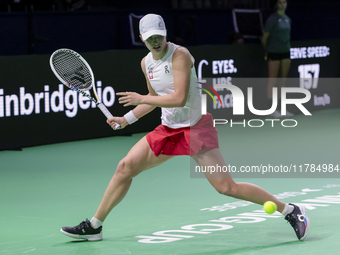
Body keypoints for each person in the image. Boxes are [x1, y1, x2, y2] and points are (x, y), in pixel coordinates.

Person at [60, 13, 309, 242]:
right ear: (141, 39)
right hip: (168, 129)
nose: (156, 42)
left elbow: (178, 98)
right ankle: (95, 226)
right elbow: (154, 96)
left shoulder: (180, 55)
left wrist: (142, 98)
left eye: (159, 36)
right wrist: (127, 119)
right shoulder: (146, 62)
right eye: (150, 39)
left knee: (226, 187)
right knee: (125, 167)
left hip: (195, 128)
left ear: (166, 34)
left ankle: (290, 210)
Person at [261, 0, 293, 117]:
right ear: (276, 4)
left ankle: (282, 109)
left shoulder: (288, 19)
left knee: (282, 81)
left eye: (284, 2)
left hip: (286, 52)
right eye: (280, 2)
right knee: (273, 80)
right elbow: (264, 38)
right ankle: (271, 110)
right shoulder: (272, 20)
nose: (282, 4)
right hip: (274, 52)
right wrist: (267, 51)